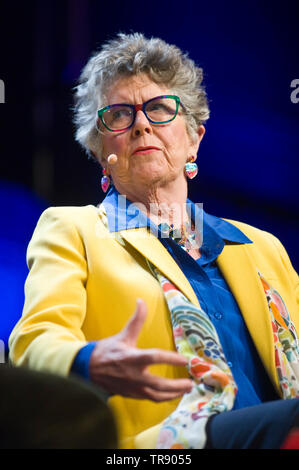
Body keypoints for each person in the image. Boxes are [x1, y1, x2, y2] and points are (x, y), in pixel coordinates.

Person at [9, 33, 299, 449]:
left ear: (194, 138)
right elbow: (35, 341)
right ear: (98, 149)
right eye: (120, 115)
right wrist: (88, 361)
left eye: (159, 109)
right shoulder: (72, 229)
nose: (141, 124)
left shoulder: (262, 246)